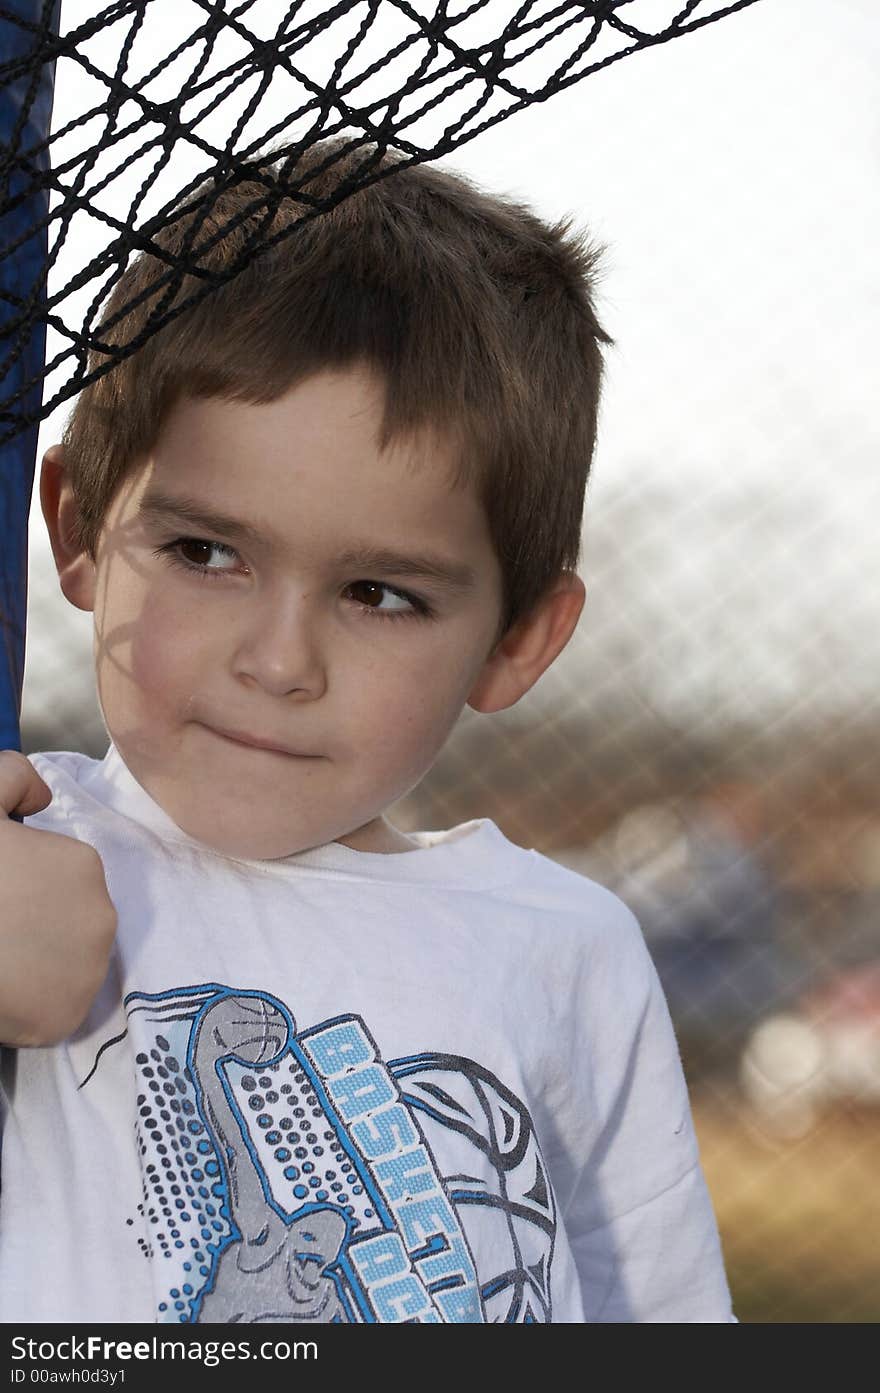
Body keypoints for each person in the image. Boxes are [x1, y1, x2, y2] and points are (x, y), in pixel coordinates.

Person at [0, 139, 734, 1324]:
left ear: (516, 640)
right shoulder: (26, 846)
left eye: (380, 593)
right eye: (204, 552)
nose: (280, 663)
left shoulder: (566, 949)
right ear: (79, 527)